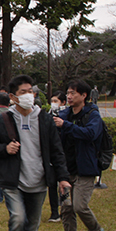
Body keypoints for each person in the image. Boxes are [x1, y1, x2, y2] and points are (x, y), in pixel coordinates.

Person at [0, 74, 71, 231]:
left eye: (30, 91)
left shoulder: (44, 118)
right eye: (23, 92)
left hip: (39, 181)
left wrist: (63, 178)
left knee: (32, 228)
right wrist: (5, 149)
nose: (28, 96)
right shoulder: (3, 119)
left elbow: (56, 150)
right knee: (18, 219)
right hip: (13, 181)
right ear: (13, 97)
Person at [54, 79, 106, 231]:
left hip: (85, 168)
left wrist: (66, 126)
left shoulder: (92, 115)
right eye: (67, 93)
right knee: (66, 207)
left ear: (84, 96)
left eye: (72, 93)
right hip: (66, 168)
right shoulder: (64, 114)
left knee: (79, 206)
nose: (68, 97)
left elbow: (90, 134)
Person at [46, 92, 67, 222]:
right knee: (52, 184)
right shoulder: (47, 115)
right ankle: (54, 212)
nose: (53, 103)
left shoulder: (67, 115)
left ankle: (66, 210)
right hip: (51, 154)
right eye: (52, 100)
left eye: (56, 101)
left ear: (63, 102)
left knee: (64, 183)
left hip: (64, 154)